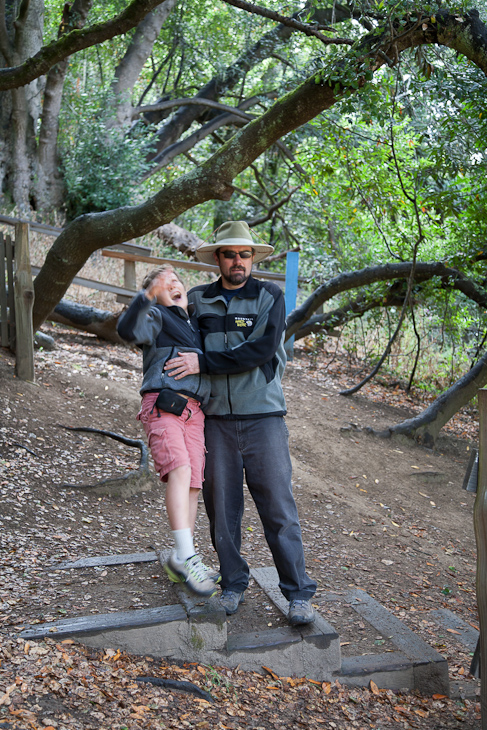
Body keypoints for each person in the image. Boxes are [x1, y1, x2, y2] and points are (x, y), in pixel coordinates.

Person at [165, 221, 317, 626]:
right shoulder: (198, 300)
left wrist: (205, 362)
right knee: (222, 508)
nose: (238, 261)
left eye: (244, 254)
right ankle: (233, 583)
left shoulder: (270, 296)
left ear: (253, 259)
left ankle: (298, 594)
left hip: (263, 418)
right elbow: (177, 343)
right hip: (213, 420)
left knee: (278, 507)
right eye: (230, 254)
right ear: (217, 258)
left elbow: (260, 350)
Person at [117, 265, 217, 598]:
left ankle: (179, 557)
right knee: (180, 470)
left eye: (177, 281)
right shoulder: (156, 317)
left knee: (192, 485)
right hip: (165, 406)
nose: (174, 285)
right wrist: (146, 296)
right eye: (164, 284)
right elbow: (127, 330)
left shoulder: (195, 323)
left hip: (195, 413)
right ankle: (188, 555)